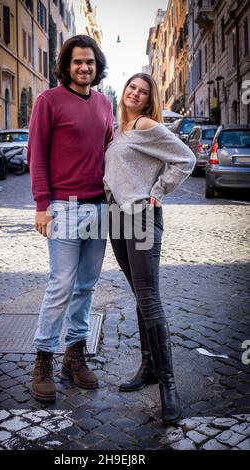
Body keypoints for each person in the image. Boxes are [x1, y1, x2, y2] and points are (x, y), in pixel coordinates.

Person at [104, 73, 195, 425]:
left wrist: (159, 190)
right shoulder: (119, 130)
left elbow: (185, 158)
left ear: (148, 100)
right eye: (131, 87)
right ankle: (148, 368)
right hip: (116, 217)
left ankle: (168, 386)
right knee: (140, 296)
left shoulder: (147, 125)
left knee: (149, 297)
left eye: (142, 92)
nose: (135, 93)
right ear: (124, 91)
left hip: (141, 217)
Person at [27, 35, 114, 402]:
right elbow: (37, 154)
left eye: (90, 62)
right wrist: (41, 204)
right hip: (63, 207)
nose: (84, 68)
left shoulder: (105, 103)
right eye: (78, 62)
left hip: (99, 207)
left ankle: (74, 356)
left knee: (86, 287)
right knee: (61, 284)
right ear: (66, 65)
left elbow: (113, 151)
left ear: (97, 66)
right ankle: (43, 358)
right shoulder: (48, 101)